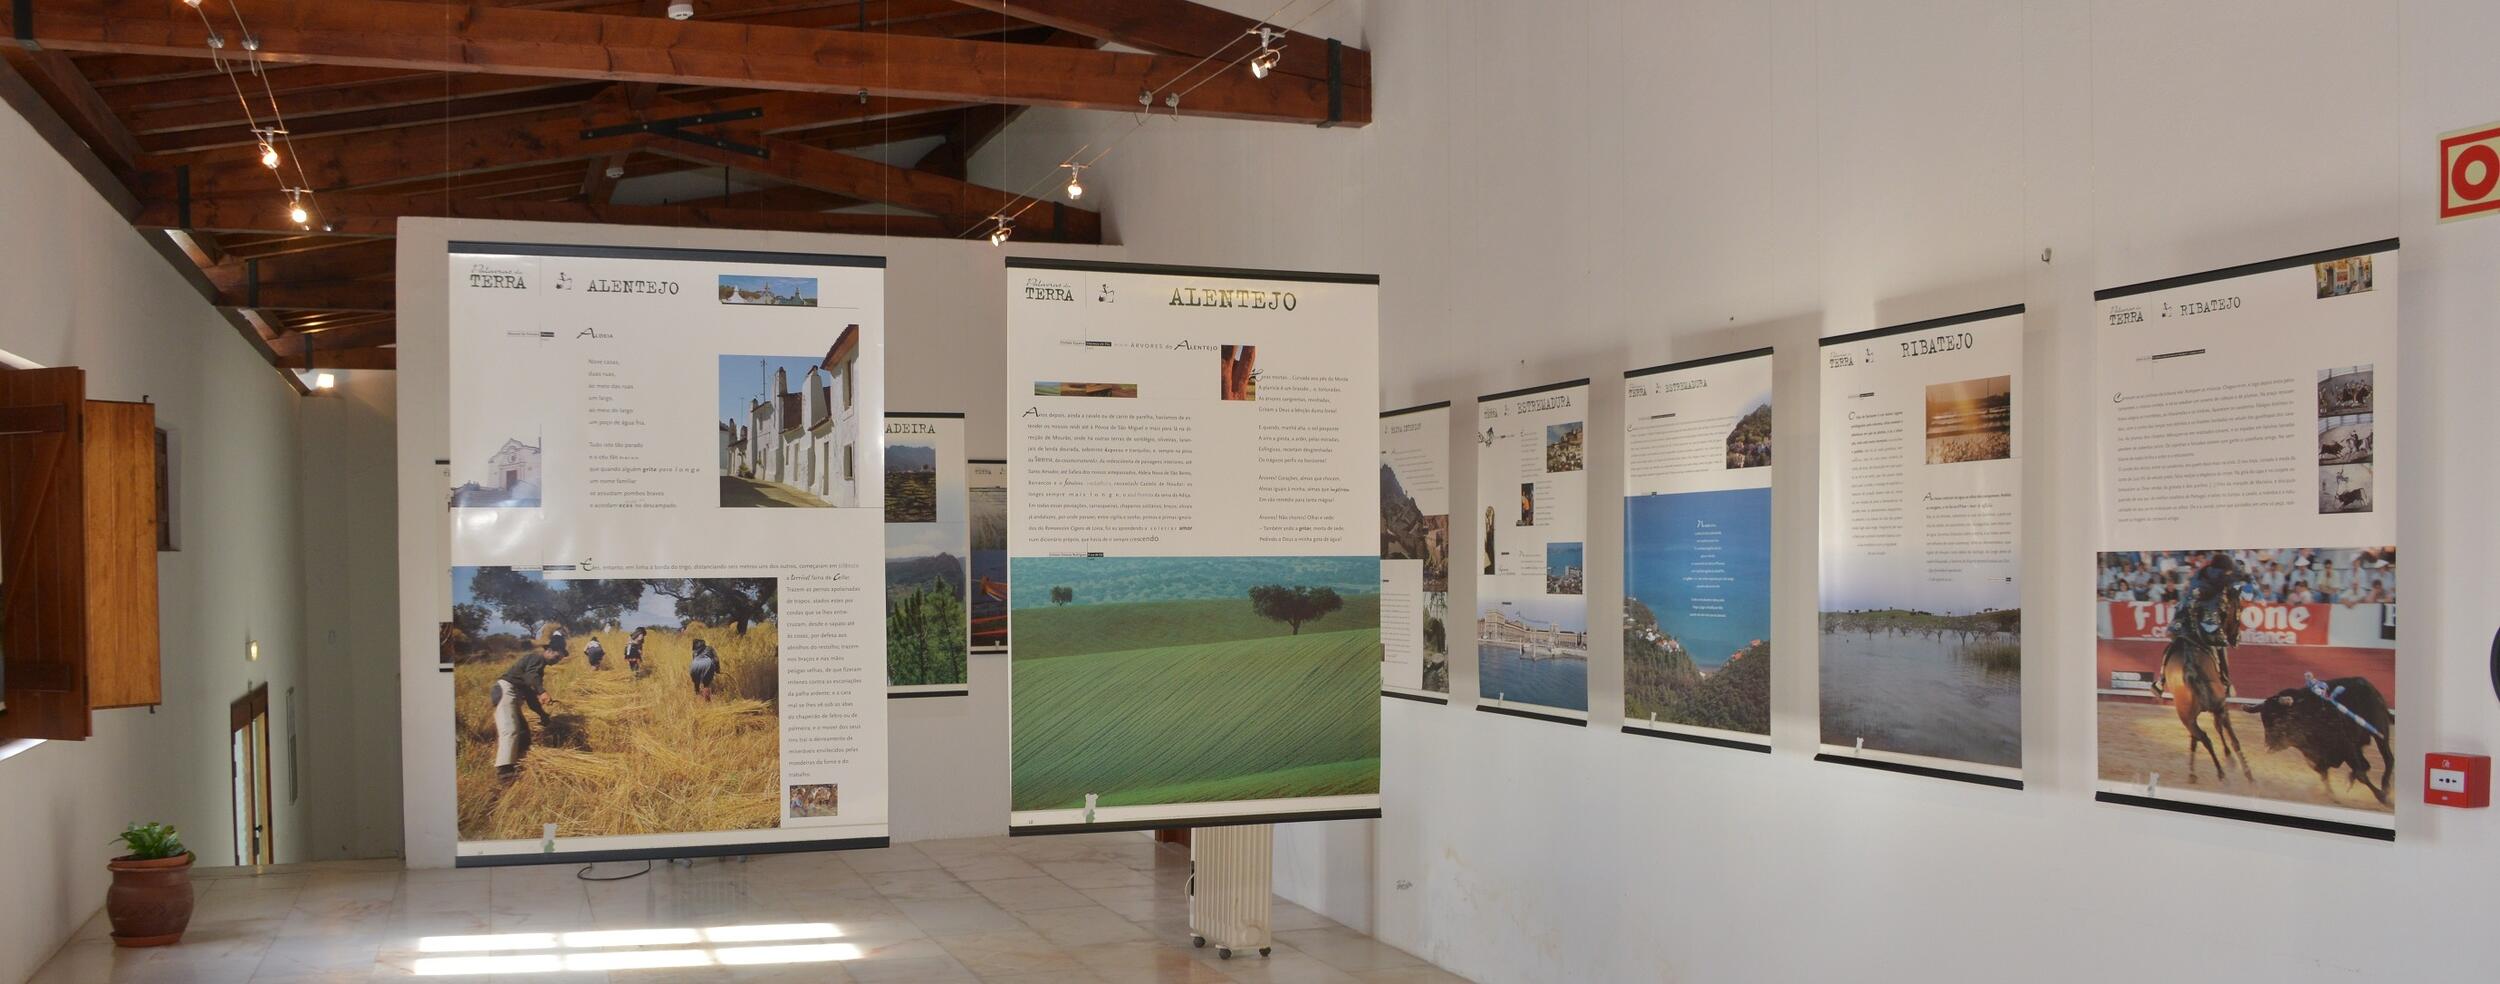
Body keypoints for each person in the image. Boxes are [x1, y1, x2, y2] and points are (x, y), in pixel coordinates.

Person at [2160, 554, 2243, 698]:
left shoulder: (2200, 573)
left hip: (2184, 617)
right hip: (2206, 620)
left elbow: (2191, 595)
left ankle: (2160, 681)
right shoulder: (2223, 578)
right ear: (2225, 568)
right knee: (2220, 646)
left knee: (2174, 642)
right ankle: (2226, 681)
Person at [491, 645, 565, 781]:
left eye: (559, 659)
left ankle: (521, 761)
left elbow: (530, 696)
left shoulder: (538, 668)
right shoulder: (536, 658)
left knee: (524, 732)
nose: (557, 660)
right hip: (505, 691)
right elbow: (532, 676)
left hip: (513, 695)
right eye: (556, 656)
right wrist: (542, 691)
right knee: (510, 729)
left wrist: (542, 714)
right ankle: (505, 771)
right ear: (548, 651)